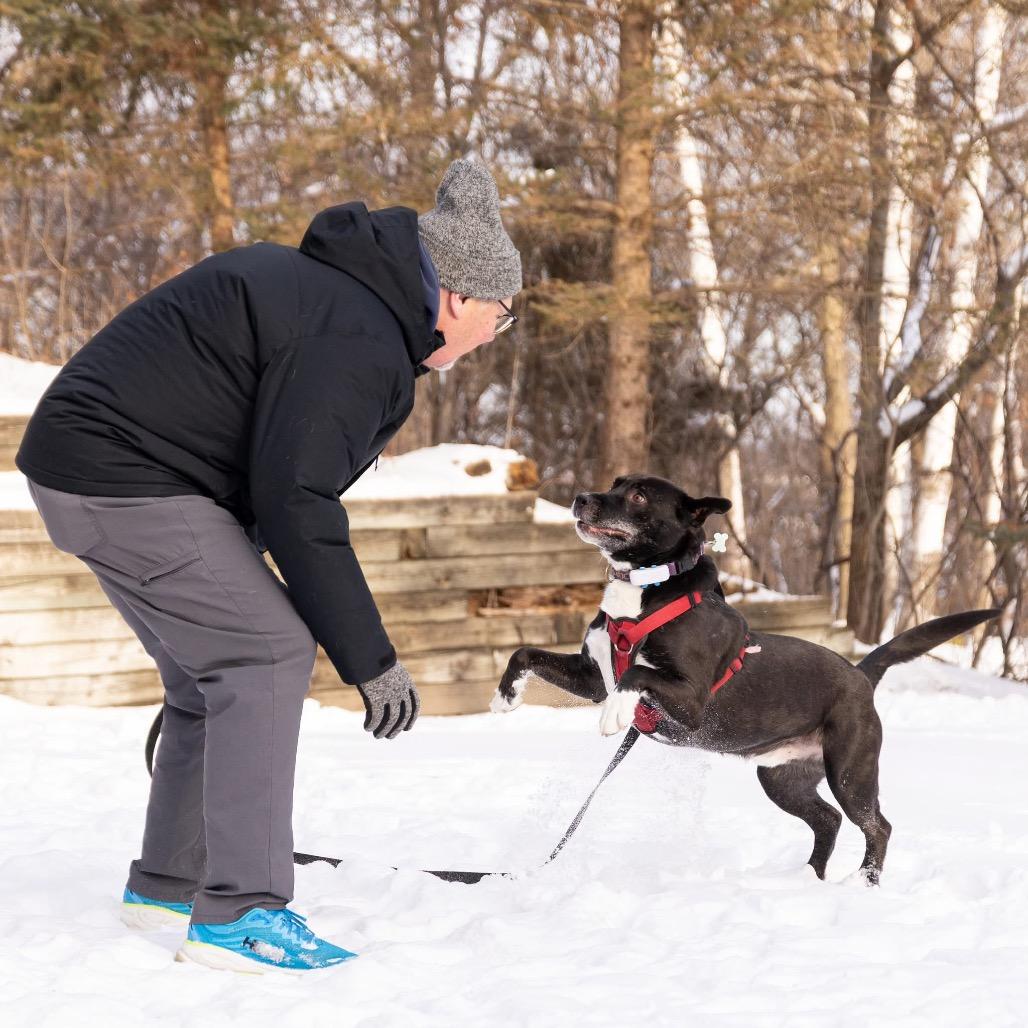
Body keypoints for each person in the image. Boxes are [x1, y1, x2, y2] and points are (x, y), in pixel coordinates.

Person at [16, 157, 522, 974]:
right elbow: (297, 498)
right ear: (458, 296)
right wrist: (373, 661)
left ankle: (168, 887)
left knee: (210, 672)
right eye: (501, 315)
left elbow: (257, 465)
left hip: (91, 467)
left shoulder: (343, 307)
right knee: (266, 652)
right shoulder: (355, 335)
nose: (497, 332)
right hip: (120, 474)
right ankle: (241, 914)